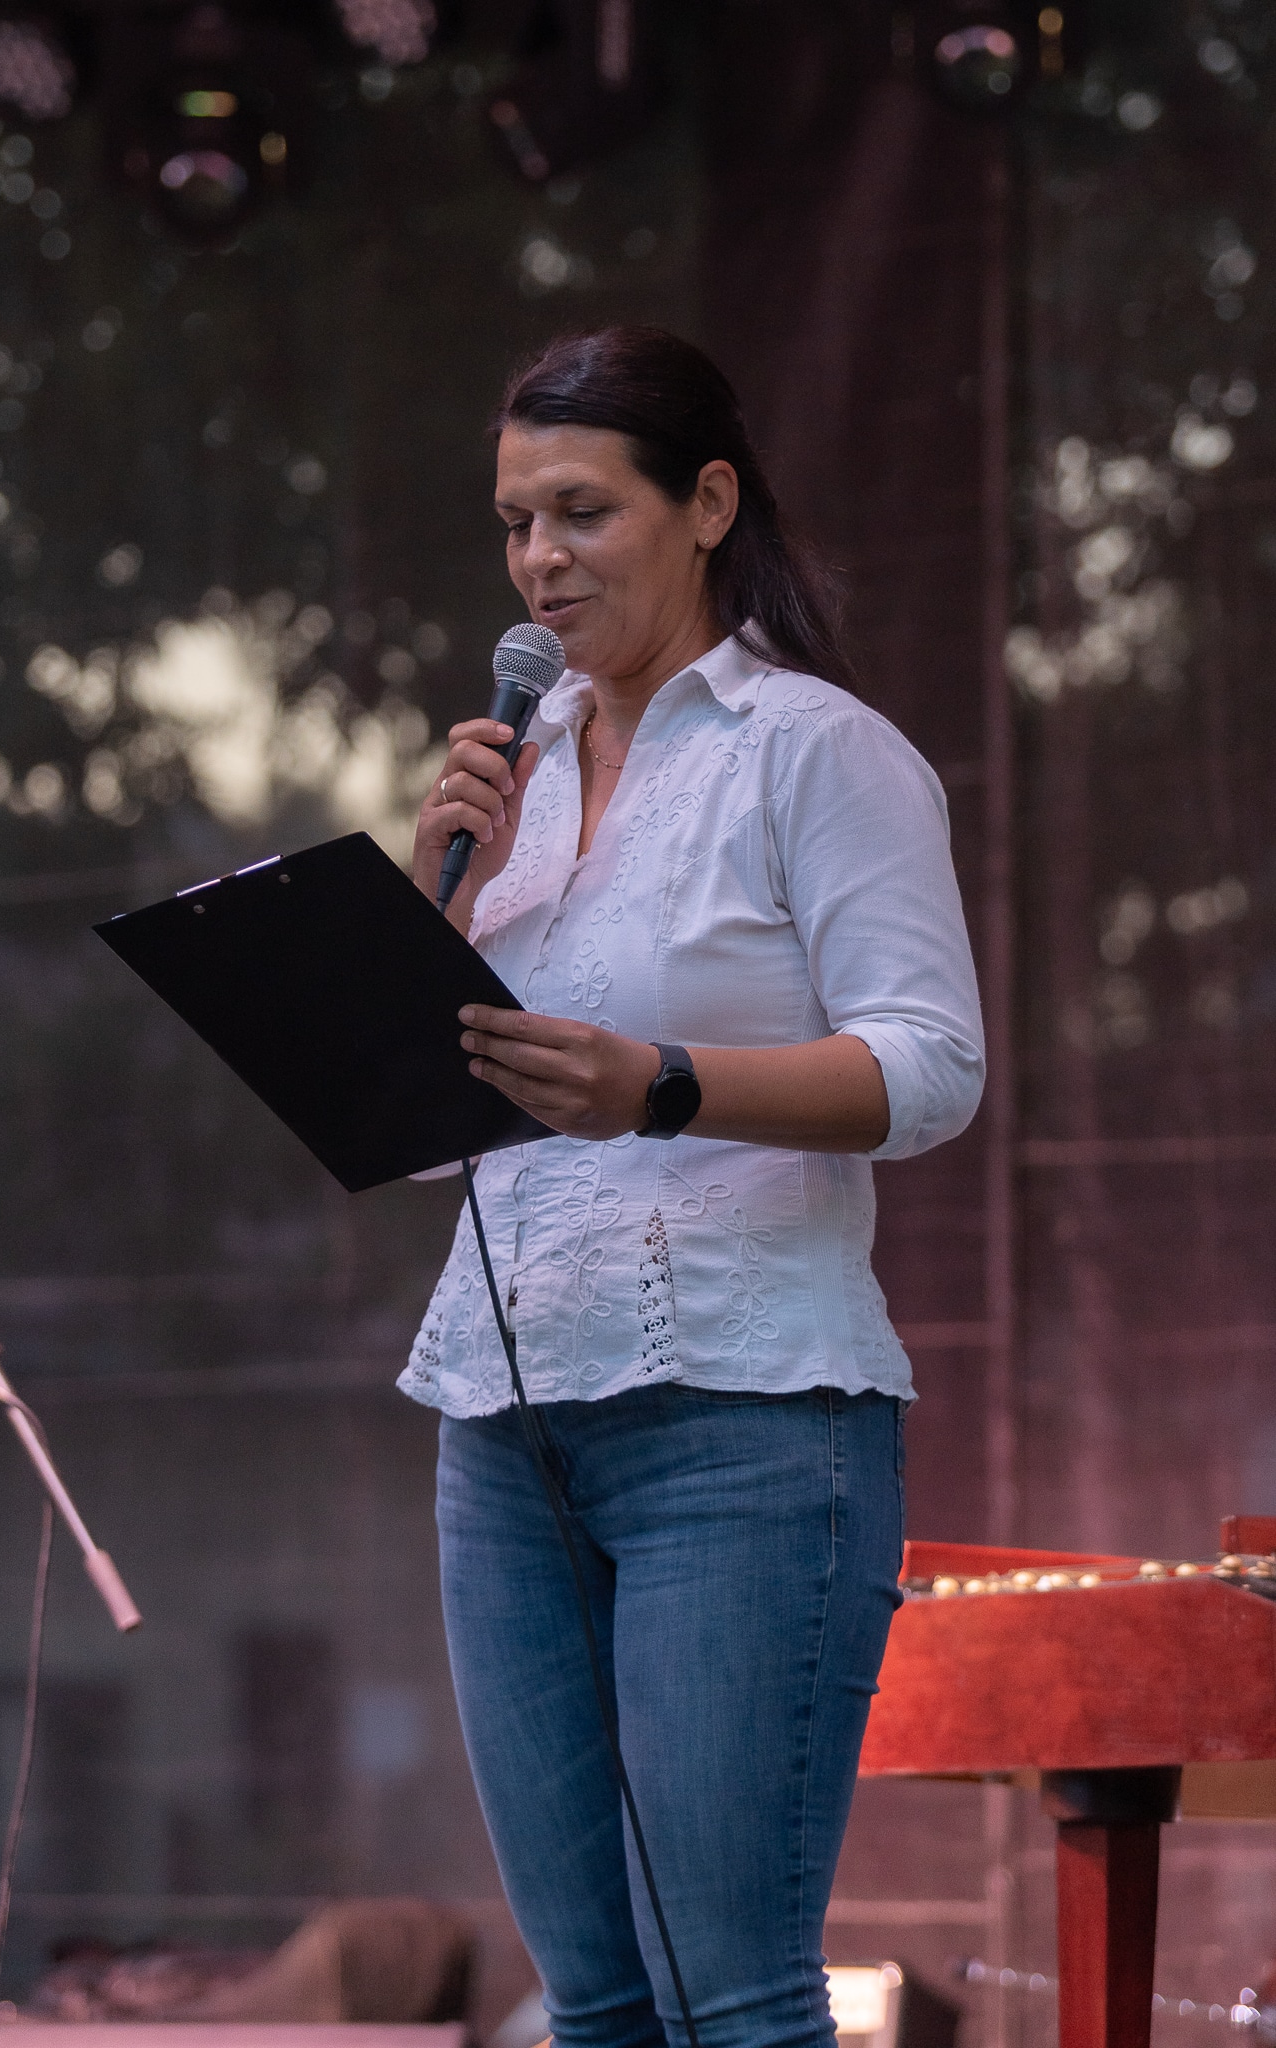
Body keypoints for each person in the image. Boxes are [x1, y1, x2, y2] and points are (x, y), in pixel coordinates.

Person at [402, 327, 984, 2048]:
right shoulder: (506, 786)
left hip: (742, 1421)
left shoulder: (812, 750)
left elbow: (930, 1070)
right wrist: (441, 902)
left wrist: (659, 1084)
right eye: (515, 523)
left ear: (708, 503)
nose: (539, 559)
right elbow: (424, 1130)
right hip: (502, 1427)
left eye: (582, 511)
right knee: (587, 2008)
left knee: (729, 2003)